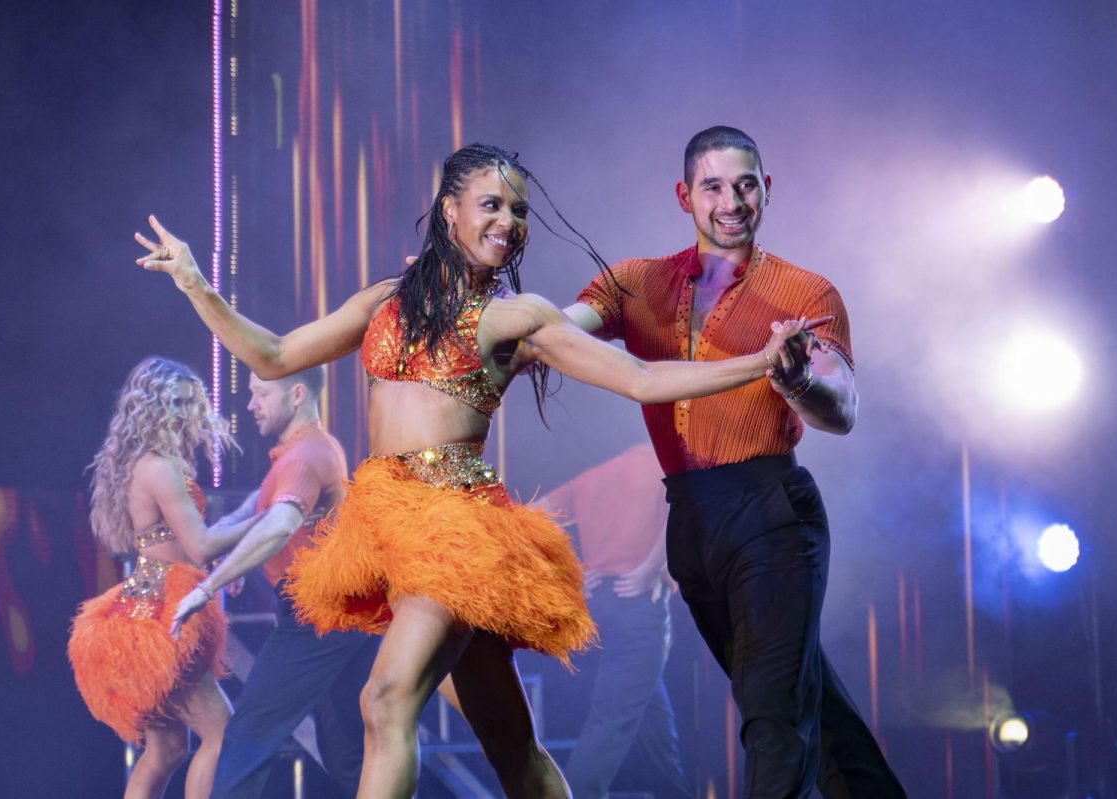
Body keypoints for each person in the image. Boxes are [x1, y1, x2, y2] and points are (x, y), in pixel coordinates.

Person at [135, 142, 821, 799]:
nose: (509, 223)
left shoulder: (513, 318)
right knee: (514, 749)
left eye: (518, 211)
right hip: (383, 527)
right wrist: (196, 284)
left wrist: (762, 364)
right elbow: (276, 354)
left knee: (384, 699)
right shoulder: (384, 301)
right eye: (492, 205)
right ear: (449, 211)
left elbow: (641, 377)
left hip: (456, 533)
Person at [567, 126, 906, 798]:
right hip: (691, 520)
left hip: (771, 512)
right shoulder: (635, 281)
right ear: (684, 195)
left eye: (746, 184)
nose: (732, 200)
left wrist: (799, 381)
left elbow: (842, 407)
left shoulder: (806, 292)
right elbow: (556, 329)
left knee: (772, 717)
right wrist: (473, 312)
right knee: (806, 707)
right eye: (714, 186)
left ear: (767, 189)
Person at [168, 366, 380, 798]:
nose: (250, 406)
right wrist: (227, 546)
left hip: (323, 612)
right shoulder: (300, 451)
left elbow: (280, 523)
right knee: (346, 756)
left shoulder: (305, 457)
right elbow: (258, 507)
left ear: (297, 394)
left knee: (248, 734)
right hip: (342, 613)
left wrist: (208, 587)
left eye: (260, 395)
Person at [68, 357, 262, 799]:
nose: (183, 413)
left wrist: (217, 568)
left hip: (144, 604)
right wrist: (267, 516)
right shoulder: (160, 466)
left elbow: (178, 542)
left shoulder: (148, 463)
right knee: (220, 733)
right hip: (162, 615)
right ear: (149, 408)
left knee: (168, 749)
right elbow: (201, 543)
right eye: (174, 402)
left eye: (189, 403)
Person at [539, 443, 694, 799]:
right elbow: (682, 513)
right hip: (636, 602)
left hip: (601, 607)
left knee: (652, 720)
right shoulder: (661, 464)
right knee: (609, 724)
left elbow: (532, 516)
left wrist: (571, 571)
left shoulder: (591, 479)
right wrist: (653, 567)